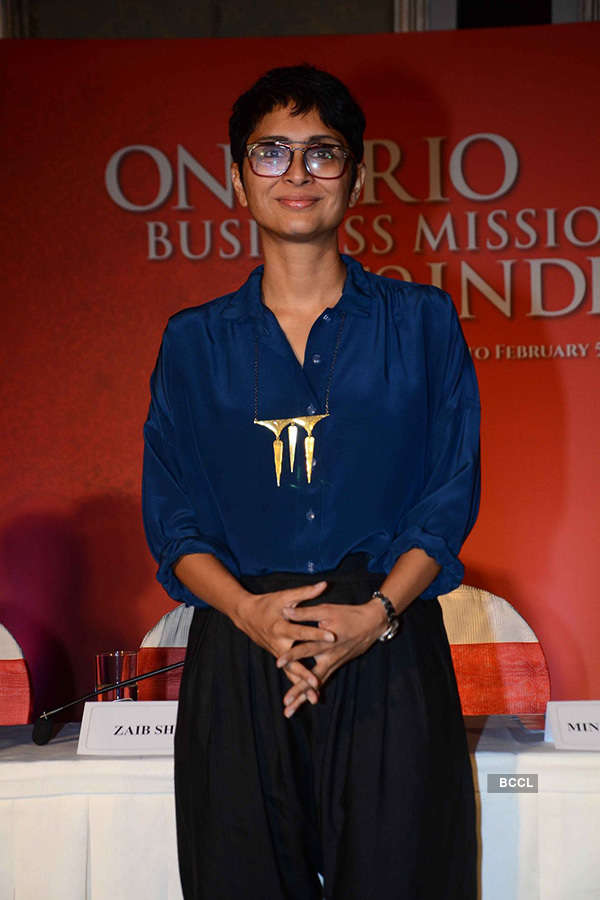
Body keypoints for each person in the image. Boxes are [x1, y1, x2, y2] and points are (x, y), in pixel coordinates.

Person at [142, 64, 480, 900]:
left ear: (357, 177)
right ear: (234, 177)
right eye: (271, 153)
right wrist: (251, 615)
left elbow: (447, 495)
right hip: (239, 642)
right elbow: (174, 518)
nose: (297, 175)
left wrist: (375, 616)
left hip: (387, 641)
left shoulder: (423, 321)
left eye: (322, 153)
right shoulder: (194, 343)